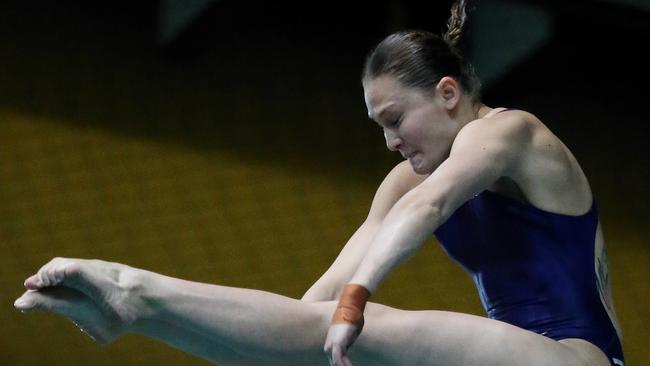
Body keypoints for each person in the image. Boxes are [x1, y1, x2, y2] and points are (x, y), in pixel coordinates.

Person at [14, 1, 624, 365]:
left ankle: (138, 290)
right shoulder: (401, 182)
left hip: (576, 357)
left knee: (366, 323)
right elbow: (306, 317)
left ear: (447, 94)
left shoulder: (510, 133)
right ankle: (134, 305)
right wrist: (184, 326)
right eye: (377, 127)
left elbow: (433, 206)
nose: (390, 143)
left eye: (395, 121)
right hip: (509, 356)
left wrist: (357, 300)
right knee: (318, 339)